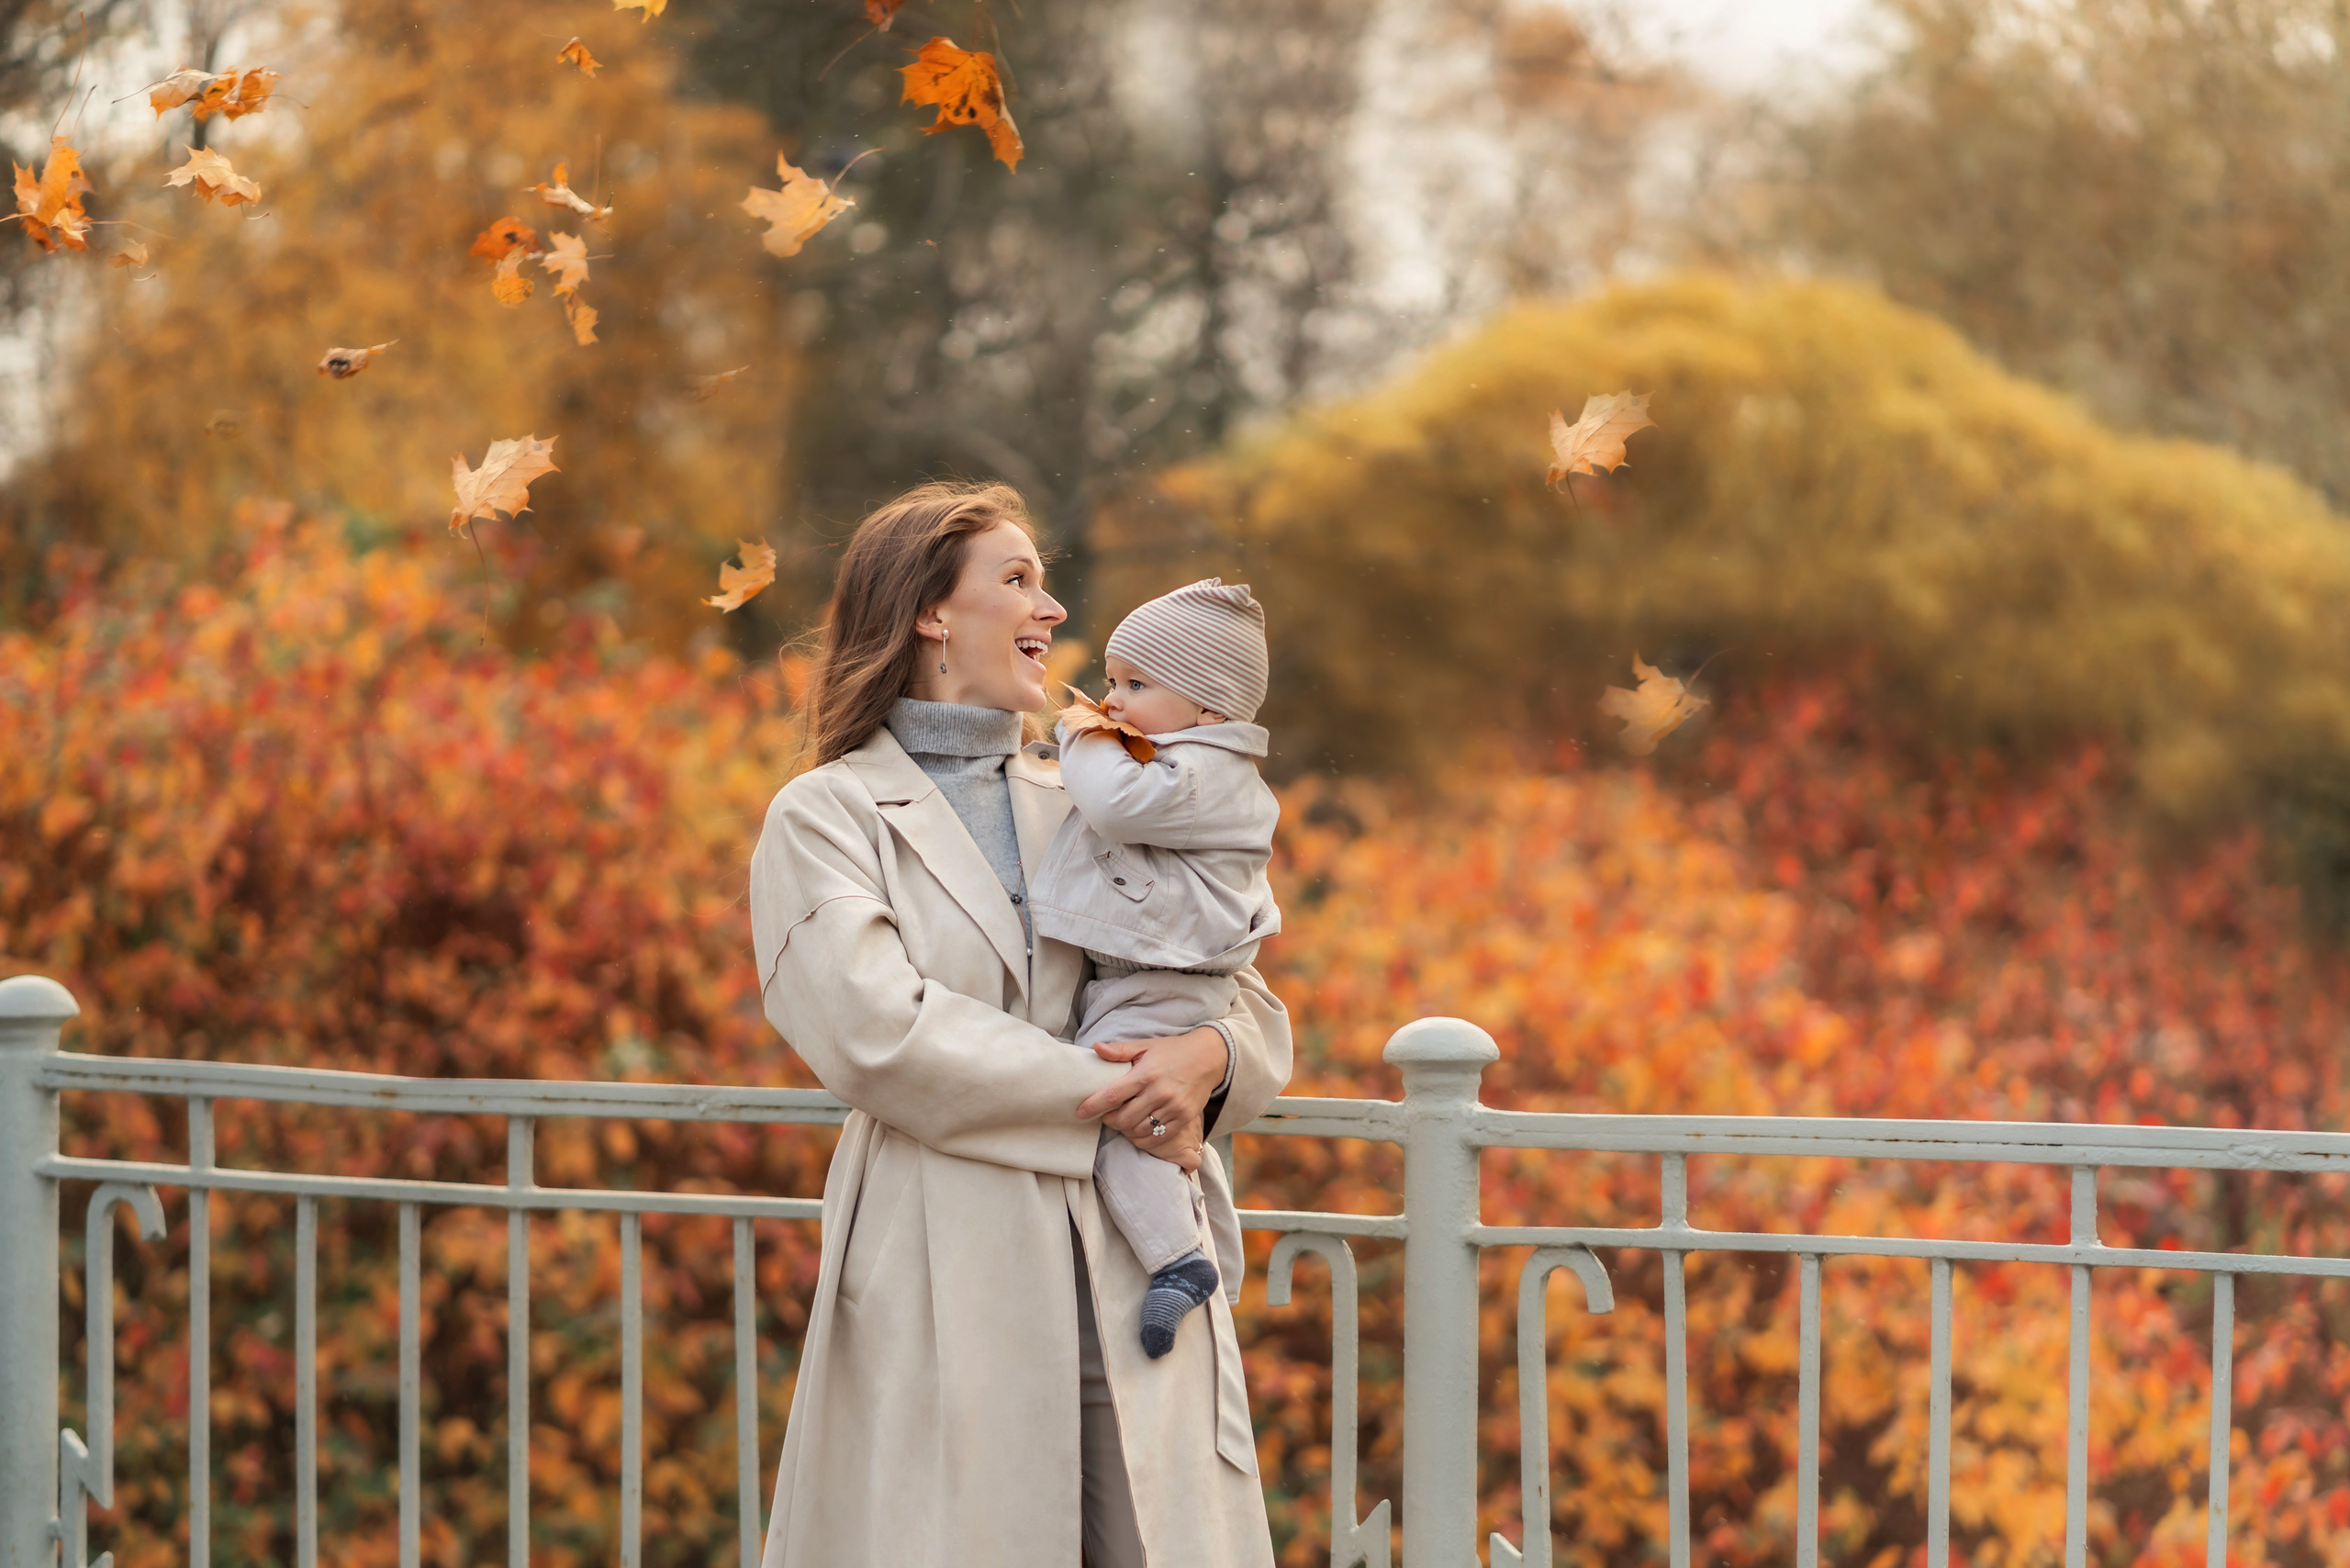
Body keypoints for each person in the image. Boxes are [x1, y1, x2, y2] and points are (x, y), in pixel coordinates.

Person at [748, 481, 1290, 1568]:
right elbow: (876, 1033)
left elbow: (1230, 983)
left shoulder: (1100, 794)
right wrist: (1126, 1094)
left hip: (1129, 1266)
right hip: (946, 1260)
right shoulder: (824, 815)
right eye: (1017, 579)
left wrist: (1212, 1054)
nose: (1052, 609)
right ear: (929, 613)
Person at [1031, 579, 1280, 1361]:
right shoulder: (1178, 765)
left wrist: (1078, 735)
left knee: (1122, 1112)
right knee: (1164, 1134)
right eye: (1111, 681)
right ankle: (1210, 1260)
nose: (1111, 701)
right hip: (1155, 980)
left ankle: (1179, 1261)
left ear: (1208, 710)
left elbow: (1112, 805)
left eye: (1136, 685)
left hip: (1165, 985)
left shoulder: (1206, 773)